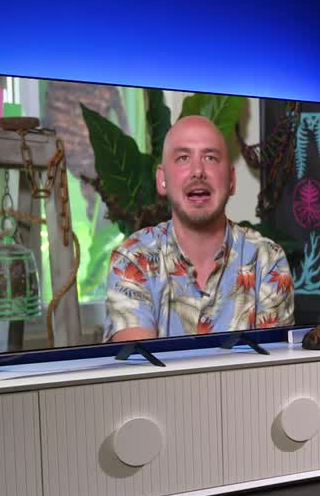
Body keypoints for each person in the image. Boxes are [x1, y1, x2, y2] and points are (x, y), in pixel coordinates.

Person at [105, 115, 294, 342]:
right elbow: (139, 362)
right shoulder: (133, 258)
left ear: (231, 180)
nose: (198, 171)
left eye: (210, 157)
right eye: (183, 158)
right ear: (162, 179)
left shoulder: (266, 259)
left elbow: (272, 362)